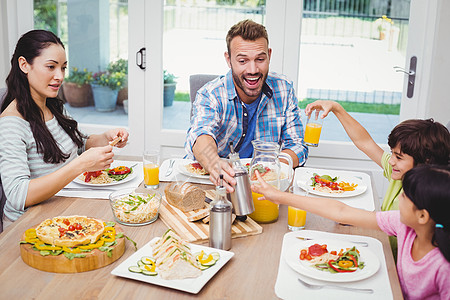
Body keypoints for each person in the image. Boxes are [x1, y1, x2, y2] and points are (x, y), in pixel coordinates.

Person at [252, 164, 450, 299]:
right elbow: (341, 212)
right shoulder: (404, 225)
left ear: (422, 216)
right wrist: (279, 196)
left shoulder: (443, 267)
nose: (400, 200)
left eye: (405, 197)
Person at [0, 30, 129, 226]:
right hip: (30, 225)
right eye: (51, 67)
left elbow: (79, 144)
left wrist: (105, 137)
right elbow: (19, 195)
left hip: (65, 208)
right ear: (24, 65)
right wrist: (80, 165)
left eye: (63, 68)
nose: (59, 76)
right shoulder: (11, 123)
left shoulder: (53, 105)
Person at [185, 19, 308, 192]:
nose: (252, 70)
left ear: (269, 55)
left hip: (265, 186)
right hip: (216, 184)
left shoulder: (284, 88)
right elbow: (200, 135)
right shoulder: (210, 94)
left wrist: (275, 168)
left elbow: (297, 144)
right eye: (243, 61)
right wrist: (214, 163)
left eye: (260, 59)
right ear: (228, 59)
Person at [305, 100, 450, 211]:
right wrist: (336, 108)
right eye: (392, 153)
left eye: (398, 157)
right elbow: (364, 141)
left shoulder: (424, 198)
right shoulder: (401, 172)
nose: (391, 161)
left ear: (426, 162)